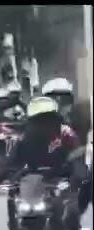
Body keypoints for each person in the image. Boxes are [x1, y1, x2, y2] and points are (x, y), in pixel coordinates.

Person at [0, 96, 89, 230]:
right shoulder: (23, 138)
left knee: (70, 212)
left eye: (48, 118)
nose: (43, 124)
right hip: (34, 182)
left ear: (56, 118)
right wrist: (2, 175)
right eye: (38, 120)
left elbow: (78, 158)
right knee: (12, 201)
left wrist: (78, 173)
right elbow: (12, 162)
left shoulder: (66, 134)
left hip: (62, 181)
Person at [42, 77, 91, 216]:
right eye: (53, 99)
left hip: (73, 166)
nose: (58, 104)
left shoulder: (80, 119)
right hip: (46, 167)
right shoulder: (39, 121)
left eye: (63, 100)